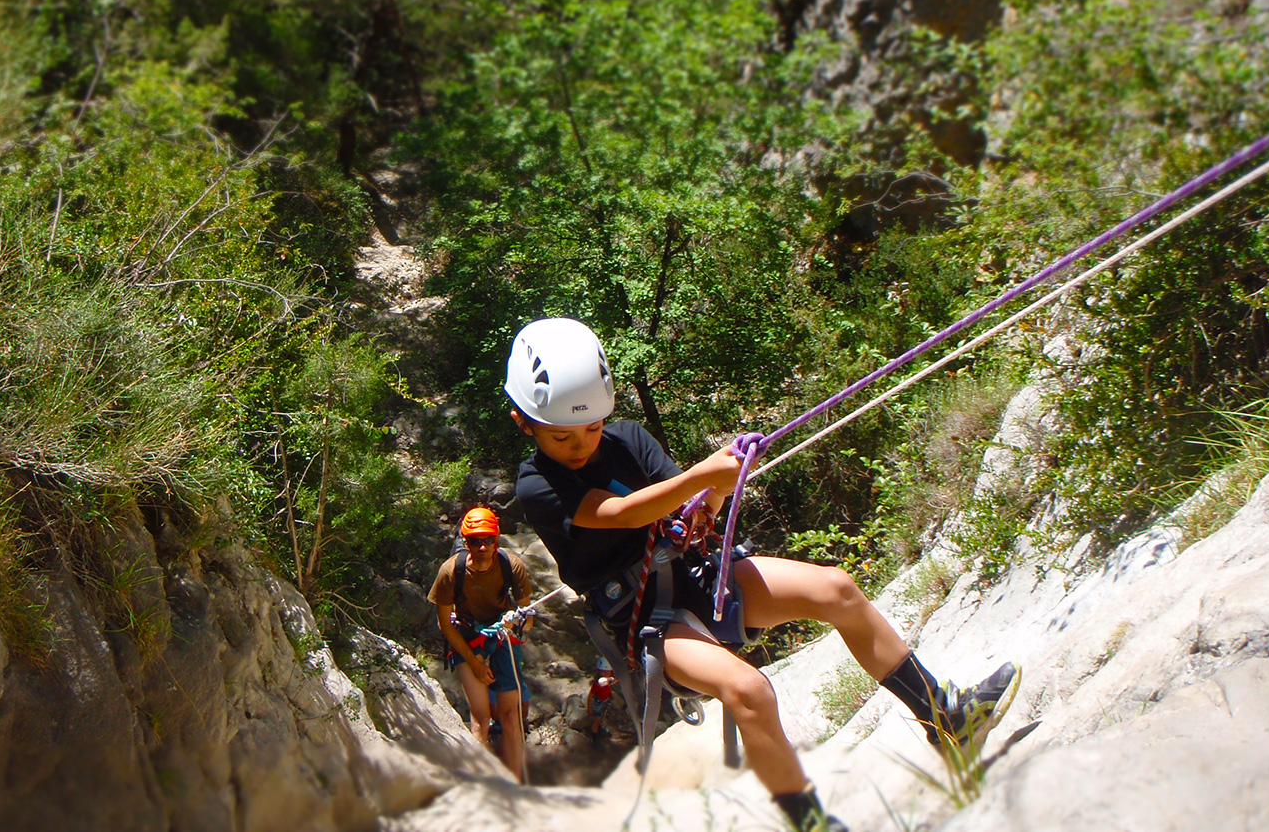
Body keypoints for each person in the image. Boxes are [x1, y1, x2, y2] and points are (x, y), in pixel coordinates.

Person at [505, 317, 1016, 831]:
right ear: (524, 422)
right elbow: (622, 512)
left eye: (592, 427)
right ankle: (810, 821)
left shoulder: (629, 440)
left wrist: (715, 490)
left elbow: (696, 503)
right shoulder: (537, 485)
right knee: (750, 691)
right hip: (643, 618)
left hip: (695, 571)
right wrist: (703, 475)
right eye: (563, 435)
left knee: (836, 589)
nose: (582, 444)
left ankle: (944, 718)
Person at [427, 506, 535, 781]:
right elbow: (444, 624)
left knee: (511, 717)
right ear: (466, 543)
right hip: (466, 637)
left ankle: (516, 782)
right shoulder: (451, 571)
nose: (483, 546)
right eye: (476, 541)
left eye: (488, 539)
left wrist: (517, 621)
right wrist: (474, 662)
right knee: (481, 718)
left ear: (496, 538)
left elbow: (529, 618)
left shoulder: (512, 566)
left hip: (502, 636)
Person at [585, 656, 617, 745]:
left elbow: (611, 682)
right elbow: (590, 696)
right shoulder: (599, 683)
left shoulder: (607, 680)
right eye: (603, 671)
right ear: (599, 671)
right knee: (597, 720)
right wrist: (589, 708)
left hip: (604, 701)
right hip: (598, 703)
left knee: (602, 716)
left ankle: (599, 728)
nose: (606, 673)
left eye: (607, 671)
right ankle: (594, 738)